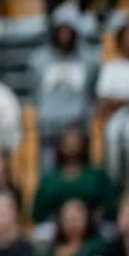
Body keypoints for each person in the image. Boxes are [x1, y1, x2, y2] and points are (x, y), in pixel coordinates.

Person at [30, 24, 100, 169]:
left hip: (77, 122)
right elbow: (35, 90)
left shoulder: (89, 61)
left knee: (82, 161)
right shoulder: (38, 60)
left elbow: (92, 90)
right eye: (61, 33)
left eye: (68, 33)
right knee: (47, 164)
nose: (64, 38)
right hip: (49, 123)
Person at [31, 127, 116, 225]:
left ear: (84, 144)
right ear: (60, 146)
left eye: (76, 142)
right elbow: (38, 212)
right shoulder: (49, 180)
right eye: (68, 142)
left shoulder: (97, 176)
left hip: (95, 226)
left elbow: (110, 204)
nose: (72, 146)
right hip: (55, 228)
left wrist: (95, 217)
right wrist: (61, 220)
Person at [97, 24, 129, 190]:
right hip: (117, 118)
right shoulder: (111, 67)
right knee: (114, 134)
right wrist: (128, 101)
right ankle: (115, 187)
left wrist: (119, 99)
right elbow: (104, 100)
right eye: (128, 37)